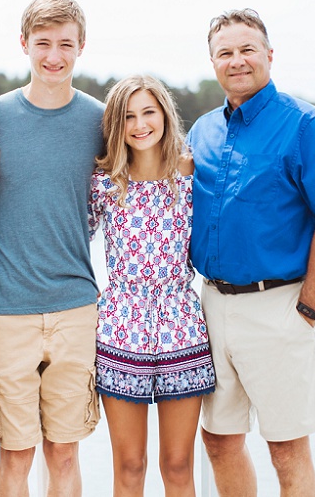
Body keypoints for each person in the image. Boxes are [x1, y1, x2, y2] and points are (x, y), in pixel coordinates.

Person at [187, 9, 315, 496]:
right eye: (225, 53)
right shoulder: (202, 131)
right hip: (211, 306)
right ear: (213, 62)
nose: (236, 61)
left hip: (278, 308)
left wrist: (307, 310)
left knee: (286, 448)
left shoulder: (306, 126)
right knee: (218, 440)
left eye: (247, 50)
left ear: (268, 55)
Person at [0, 0, 104, 496]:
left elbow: (151, 170)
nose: (54, 55)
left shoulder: (102, 120)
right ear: (23, 45)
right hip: (5, 310)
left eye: (65, 44)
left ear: (81, 47)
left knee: (64, 451)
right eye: (43, 44)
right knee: (15, 453)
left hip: (76, 307)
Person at [89, 75, 216, 495]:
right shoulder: (104, 181)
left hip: (181, 325)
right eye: (128, 116)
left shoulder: (191, 172)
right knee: (130, 465)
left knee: (178, 466)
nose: (140, 124)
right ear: (116, 124)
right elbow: (66, 240)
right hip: (120, 328)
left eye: (148, 112)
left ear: (164, 115)